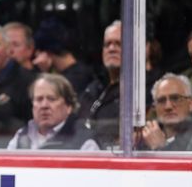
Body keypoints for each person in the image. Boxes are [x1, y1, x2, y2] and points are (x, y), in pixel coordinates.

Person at [7, 73, 99, 150]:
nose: (44, 106)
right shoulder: (21, 136)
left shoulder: (84, 142)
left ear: (68, 106)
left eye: (51, 99)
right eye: (39, 99)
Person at [79, 20, 121, 149]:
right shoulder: (93, 87)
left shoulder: (143, 89)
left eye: (119, 44)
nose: (111, 49)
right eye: (107, 44)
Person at [138, 73, 192, 151]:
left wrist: (161, 148)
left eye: (175, 98)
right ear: (154, 108)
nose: (168, 107)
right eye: (161, 100)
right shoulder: (145, 139)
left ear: (191, 104)